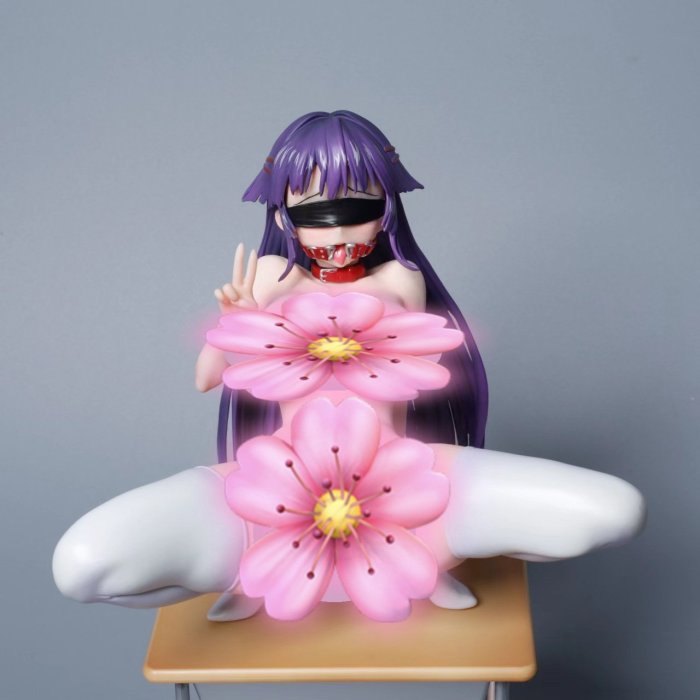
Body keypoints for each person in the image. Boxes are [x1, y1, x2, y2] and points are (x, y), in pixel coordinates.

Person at [53, 111, 645, 621]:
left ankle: (426, 563)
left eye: (355, 208)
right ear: (282, 216)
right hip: (273, 497)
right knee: (83, 565)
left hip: (410, 490)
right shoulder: (270, 277)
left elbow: (425, 374)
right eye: (315, 213)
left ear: (386, 210)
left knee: (615, 511)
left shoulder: (400, 280)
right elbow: (207, 378)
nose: (336, 229)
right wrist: (232, 322)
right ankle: (246, 572)